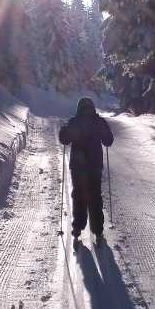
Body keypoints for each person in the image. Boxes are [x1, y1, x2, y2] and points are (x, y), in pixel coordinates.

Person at [59, 97, 114, 244]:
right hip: (95, 167)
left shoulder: (74, 122)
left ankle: (77, 230)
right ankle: (98, 232)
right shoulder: (99, 122)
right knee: (95, 197)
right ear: (93, 108)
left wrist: (63, 130)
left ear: (79, 108)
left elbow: (64, 140)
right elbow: (108, 141)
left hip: (78, 168)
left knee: (79, 197)